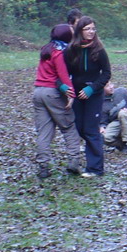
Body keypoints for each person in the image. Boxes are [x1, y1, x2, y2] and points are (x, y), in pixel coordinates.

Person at [64, 16, 111, 178]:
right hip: (76, 96)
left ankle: (95, 168)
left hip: (94, 95)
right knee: (79, 129)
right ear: (80, 31)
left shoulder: (99, 50)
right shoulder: (71, 50)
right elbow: (63, 73)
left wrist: (92, 88)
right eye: (88, 29)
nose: (91, 32)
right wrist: (65, 88)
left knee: (91, 130)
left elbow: (106, 73)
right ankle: (90, 154)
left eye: (93, 29)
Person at [33, 24, 82, 179]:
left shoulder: (46, 49)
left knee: (44, 131)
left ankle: (43, 166)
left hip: (38, 92)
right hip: (52, 93)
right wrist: (70, 95)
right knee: (68, 126)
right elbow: (63, 75)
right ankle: (74, 161)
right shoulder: (59, 53)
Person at [100, 81, 127, 154]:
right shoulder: (102, 103)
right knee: (105, 137)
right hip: (116, 122)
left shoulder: (122, 91)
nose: (111, 87)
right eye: (107, 86)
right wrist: (102, 127)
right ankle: (121, 145)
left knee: (122, 113)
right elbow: (104, 121)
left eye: (111, 84)